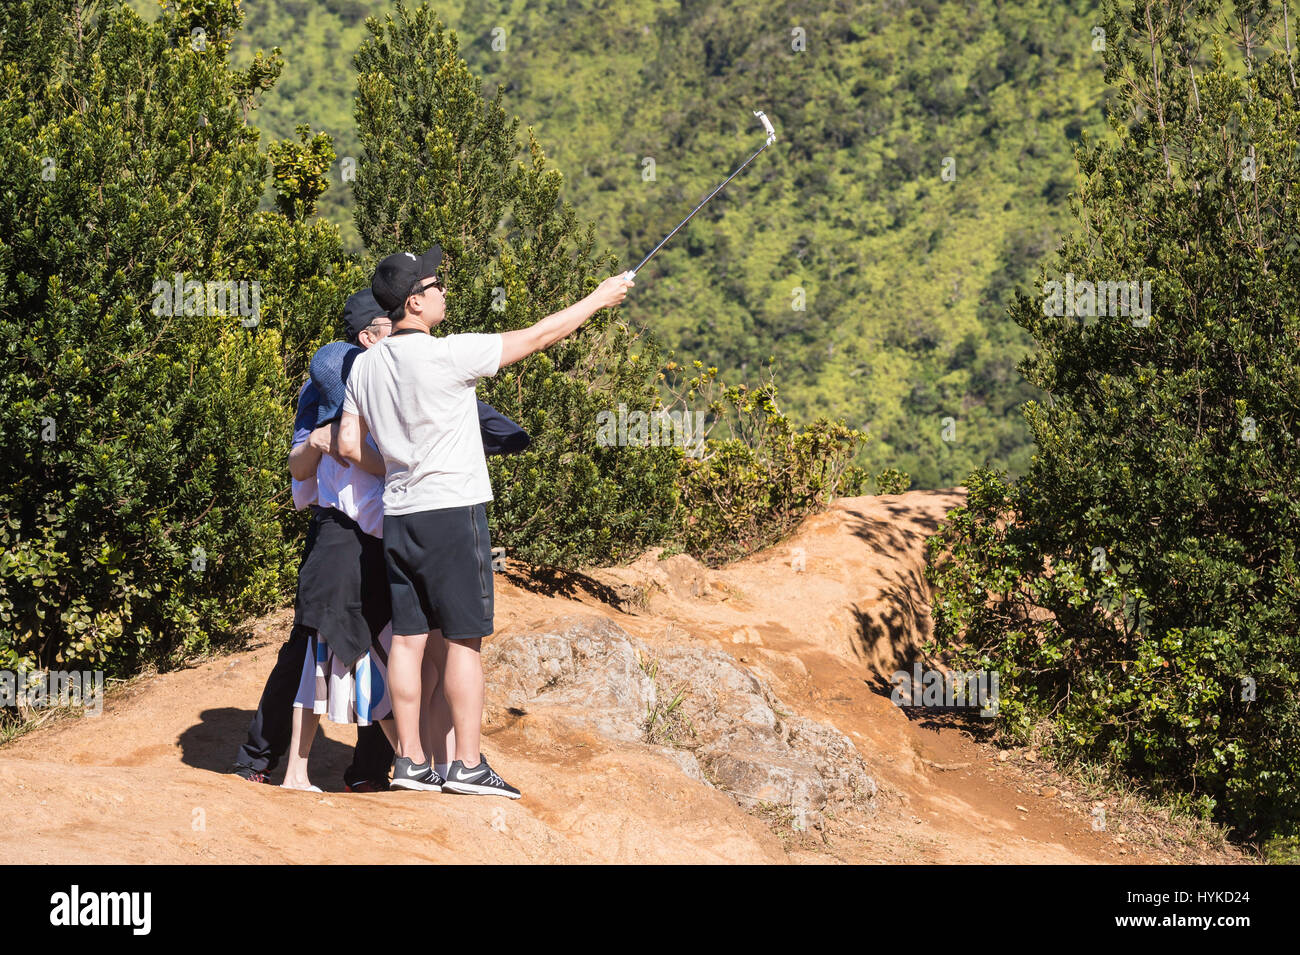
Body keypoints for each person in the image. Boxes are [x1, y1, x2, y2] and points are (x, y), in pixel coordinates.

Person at [339, 244, 631, 796]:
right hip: (453, 510)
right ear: (416, 303)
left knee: (407, 641)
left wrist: (401, 468)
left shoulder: (364, 367)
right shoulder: (450, 355)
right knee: (464, 641)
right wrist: (598, 298)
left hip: (400, 514)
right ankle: (466, 766)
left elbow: (351, 444)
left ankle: (410, 763)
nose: (444, 291)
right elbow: (540, 336)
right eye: (435, 286)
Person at [232, 288, 530, 790]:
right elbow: (301, 467)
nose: (399, 335)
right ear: (367, 335)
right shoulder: (334, 381)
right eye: (387, 329)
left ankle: (375, 769)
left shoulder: (400, 374)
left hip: (394, 528)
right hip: (347, 531)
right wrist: (324, 444)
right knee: (314, 642)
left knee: (396, 645)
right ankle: (260, 758)